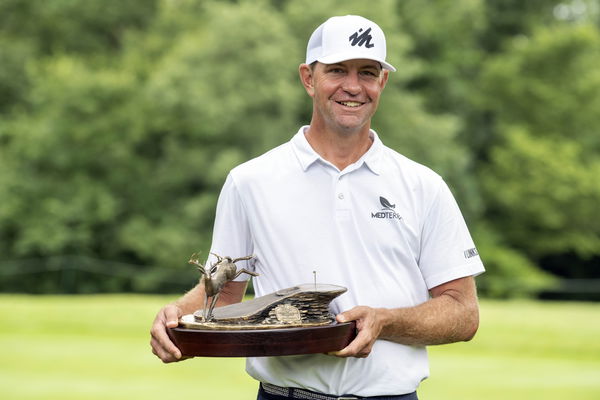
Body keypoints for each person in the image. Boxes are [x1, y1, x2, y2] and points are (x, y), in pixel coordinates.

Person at [150, 15, 484, 399]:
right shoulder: (250, 181)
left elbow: (463, 313)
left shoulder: (424, 185)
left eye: (368, 72)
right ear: (309, 78)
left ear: (383, 82)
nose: (353, 86)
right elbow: (223, 295)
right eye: (337, 70)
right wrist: (176, 314)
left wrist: (383, 321)